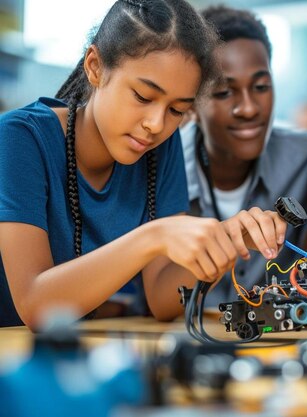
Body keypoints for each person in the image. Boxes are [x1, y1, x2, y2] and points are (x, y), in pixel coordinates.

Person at [0, 0, 286, 329]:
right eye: (143, 96)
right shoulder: (21, 138)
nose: (156, 124)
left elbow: (162, 302)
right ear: (95, 66)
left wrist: (226, 241)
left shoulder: (161, 149)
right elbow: (35, 306)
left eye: (177, 110)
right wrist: (153, 237)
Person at [181, 5, 307, 305]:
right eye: (223, 92)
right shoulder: (164, 168)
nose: (248, 108)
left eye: (261, 87)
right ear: (190, 103)